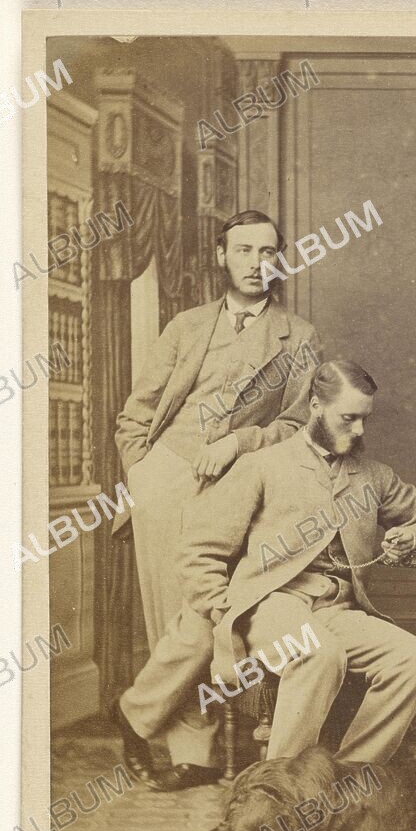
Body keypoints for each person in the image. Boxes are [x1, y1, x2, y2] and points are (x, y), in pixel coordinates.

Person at [118, 359, 416, 775]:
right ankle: (280, 789)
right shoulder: (263, 466)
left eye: (364, 419)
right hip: (271, 607)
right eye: (348, 418)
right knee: (318, 653)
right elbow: (199, 551)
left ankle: (349, 777)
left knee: (414, 659)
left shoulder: (373, 476)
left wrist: (413, 535)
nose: (359, 430)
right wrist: (224, 611)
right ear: (316, 407)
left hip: (339, 609)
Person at [113, 210, 322, 789]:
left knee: (211, 616)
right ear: (221, 256)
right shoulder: (186, 326)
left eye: (268, 251)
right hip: (165, 482)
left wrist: (238, 442)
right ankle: (194, 755)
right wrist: (144, 473)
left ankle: (135, 713)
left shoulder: (299, 336)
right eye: (244, 250)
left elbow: (299, 424)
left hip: (238, 492)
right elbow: (136, 413)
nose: (257, 262)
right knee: (170, 617)